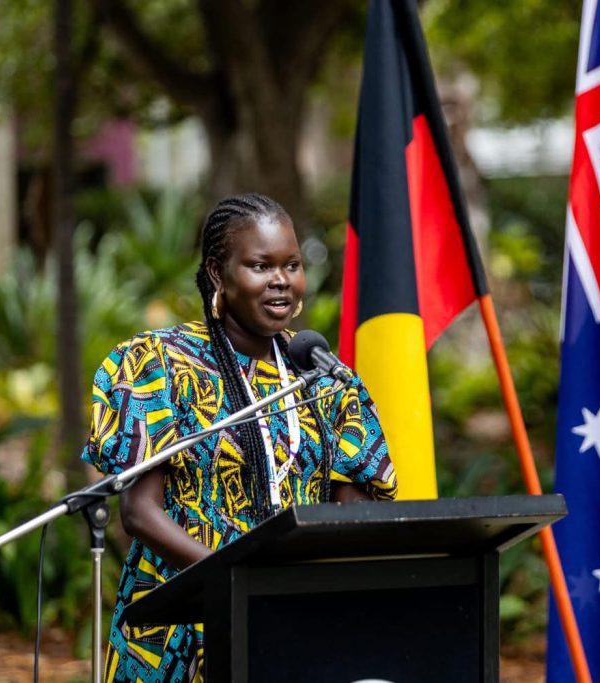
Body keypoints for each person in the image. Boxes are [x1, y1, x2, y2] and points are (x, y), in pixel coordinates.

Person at [81, 193, 397, 682]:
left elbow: (350, 514)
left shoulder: (325, 379)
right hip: (177, 624)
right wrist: (239, 583)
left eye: (292, 265)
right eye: (260, 265)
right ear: (216, 273)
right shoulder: (158, 366)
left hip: (289, 620)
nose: (282, 281)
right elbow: (139, 512)